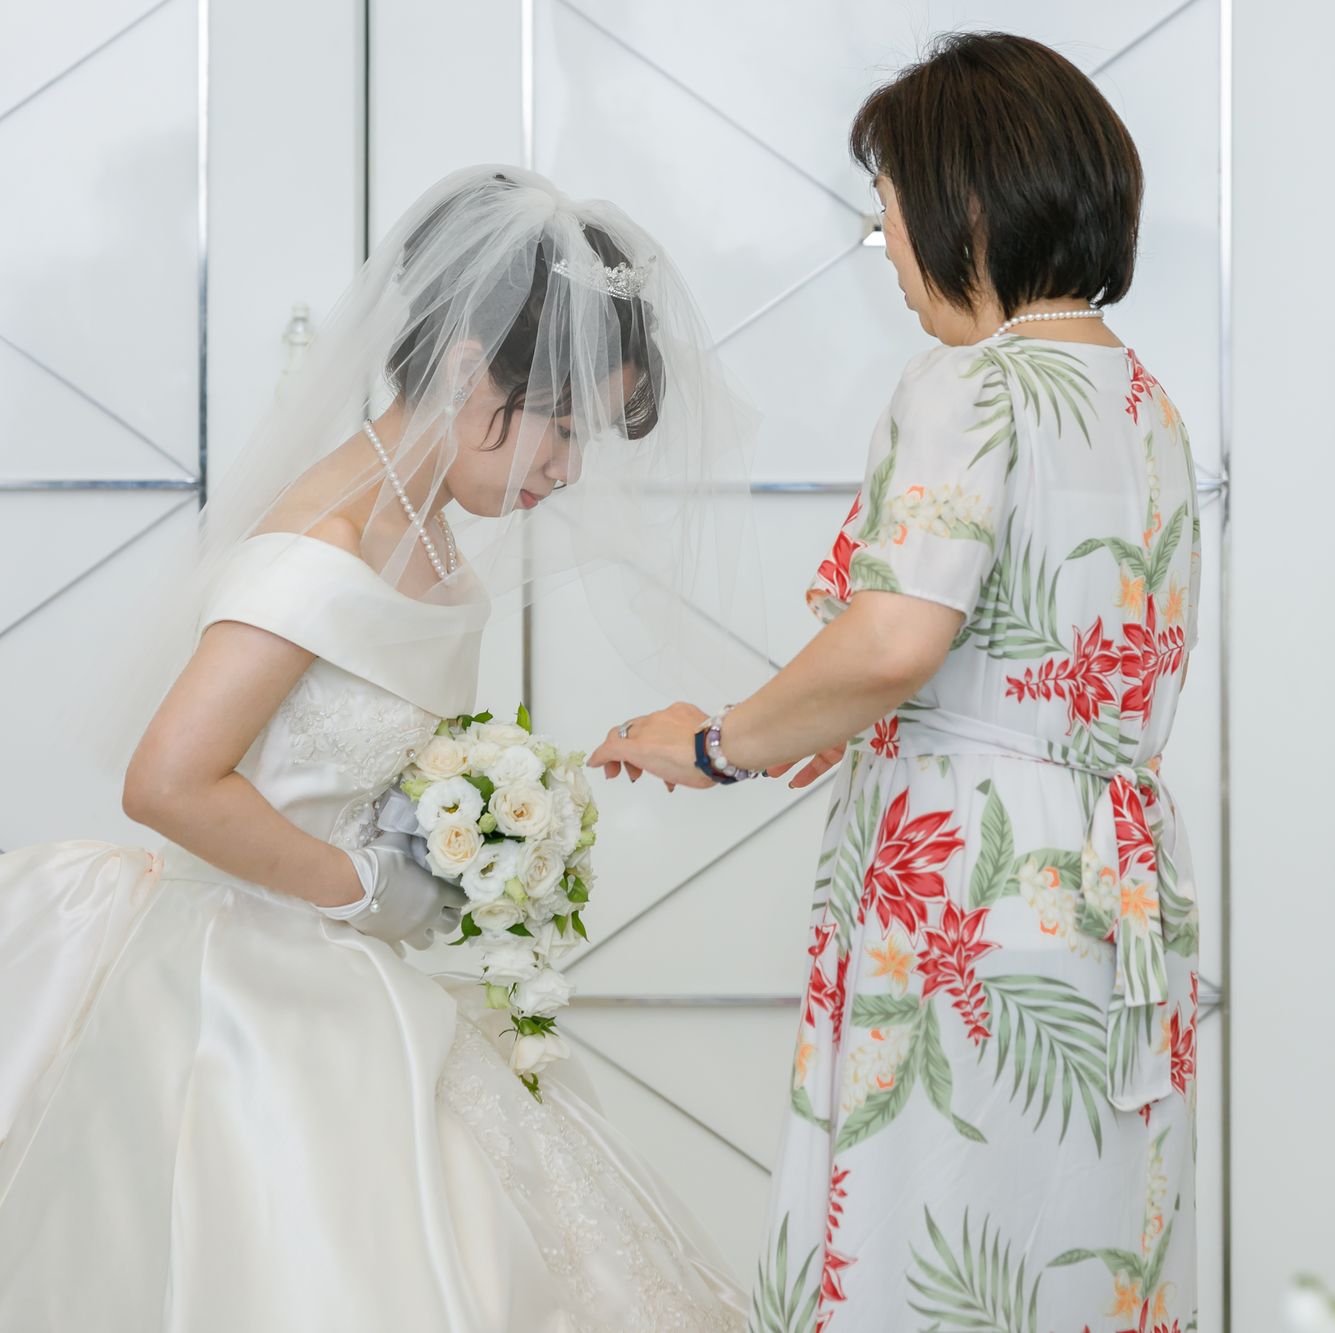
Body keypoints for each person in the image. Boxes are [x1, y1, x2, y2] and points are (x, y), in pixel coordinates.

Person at [0, 166, 748, 1332]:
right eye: (560, 426)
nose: (567, 469)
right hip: (250, 980)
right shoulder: (325, 544)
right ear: (465, 370)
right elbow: (168, 780)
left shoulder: (425, 530)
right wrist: (363, 884)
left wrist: (477, 827)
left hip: (337, 956)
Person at [589, 33, 1202, 1332]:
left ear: (964, 206)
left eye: (889, 218)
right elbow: (986, 645)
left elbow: (893, 641)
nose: (891, 259)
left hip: (968, 882)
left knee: (931, 1242)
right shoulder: (1142, 402)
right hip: (1114, 890)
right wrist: (804, 719)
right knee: (1072, 1245)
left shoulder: (970, 385)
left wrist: (718, 744)